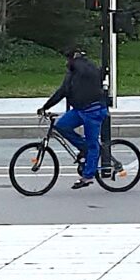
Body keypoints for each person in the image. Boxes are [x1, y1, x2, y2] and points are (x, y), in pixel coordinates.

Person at [38, 46, 112, 190]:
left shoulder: (77, 69)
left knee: (92, 144)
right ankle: (84, 148)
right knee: (61, 126)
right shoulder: (86, 67)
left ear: (71, 58)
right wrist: (47, 106)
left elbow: (63, 91)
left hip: (93, 111)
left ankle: (88, 176)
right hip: (80, 109)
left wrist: (45, 107)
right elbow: (64, 90)